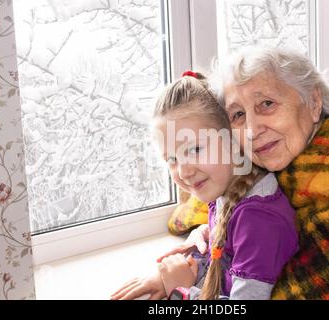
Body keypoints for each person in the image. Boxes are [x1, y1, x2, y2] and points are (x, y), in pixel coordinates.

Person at [158, 46, 329, 300]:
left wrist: (180, 290)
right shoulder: (265, 168)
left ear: (314, 102)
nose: (251, 129)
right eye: (238, 114)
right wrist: (209, 237)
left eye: (267, 103)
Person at [110, 71, 299, 300]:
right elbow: (224, 264)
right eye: (172, 159)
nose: (184, 171)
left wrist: (180, 289)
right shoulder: (227, 192)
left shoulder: (259, 222)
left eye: (195, 149)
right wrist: (168, 276)